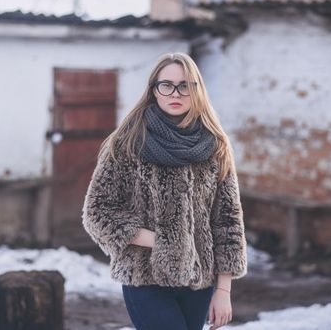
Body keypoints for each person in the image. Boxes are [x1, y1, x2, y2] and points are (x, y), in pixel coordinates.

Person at [82, 52, 247, 330]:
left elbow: (228, 222)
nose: (175, 93)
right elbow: (97, 212)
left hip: (199, 281)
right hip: (145, 277)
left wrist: (224, 290)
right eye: (166, 85)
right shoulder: (127, 143)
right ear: (154, 90)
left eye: (185, 85)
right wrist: (160, 241)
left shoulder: (216, 146)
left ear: (197, 90)